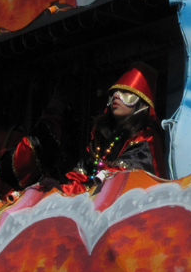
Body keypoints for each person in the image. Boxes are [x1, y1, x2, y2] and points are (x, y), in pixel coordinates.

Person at [61, 63, 166, 194]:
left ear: (141, 103)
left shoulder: (146, 136)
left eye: (126, 92)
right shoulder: (101, 137)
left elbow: (129, 176)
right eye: (114, 93)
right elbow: (84, 171)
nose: (116, 96)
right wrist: (62, 189)